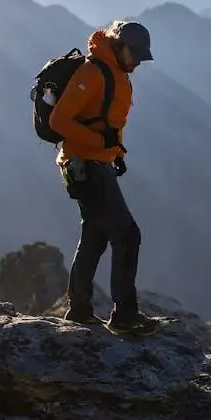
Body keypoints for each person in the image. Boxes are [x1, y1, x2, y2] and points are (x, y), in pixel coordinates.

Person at [48, 19, 160, 335]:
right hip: (85, 164)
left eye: (141, 56)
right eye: (133, 53)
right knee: (127, 235)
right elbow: (59, 120)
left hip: (96, 162)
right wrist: (101, 146)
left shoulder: (116, 73)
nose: (137, 61)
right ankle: (124, 314)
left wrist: (117, 154)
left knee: (96, 236)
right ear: (117, 46)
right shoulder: (92, 73)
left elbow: (108, 121)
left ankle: (79, 309)